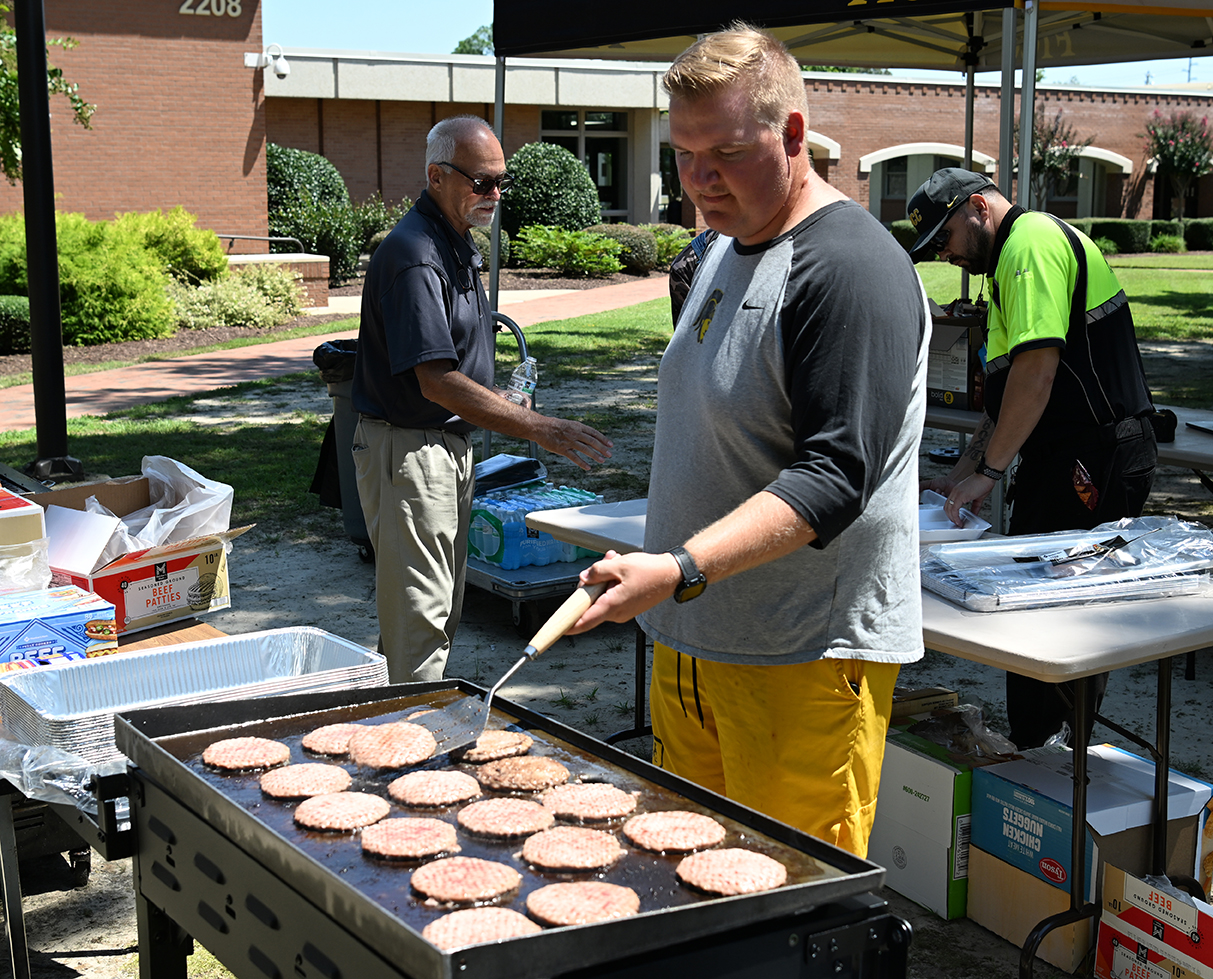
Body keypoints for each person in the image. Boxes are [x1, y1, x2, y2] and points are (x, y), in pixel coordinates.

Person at [568, 24, 931, 859]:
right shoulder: (722, 248)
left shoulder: (846, 266)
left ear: (793, 134)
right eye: (682, 155)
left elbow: (833, 478)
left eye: (724, 152)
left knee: (787, 902)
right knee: (686, 878)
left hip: (799, 658)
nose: (698, 180)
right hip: (695, 643)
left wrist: (677, 567)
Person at [351, 115, 612, 683]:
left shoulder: (453, 239)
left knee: (435, 609)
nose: (494, 194)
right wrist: (539, 427)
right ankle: (411, 745)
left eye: (501, 181)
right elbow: (436, 380)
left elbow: (451, 366)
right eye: (481, 182)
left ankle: (404, 719)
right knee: (422, 614)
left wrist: (495, 396)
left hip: (439, 443)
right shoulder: (416, 252)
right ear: (436, 176)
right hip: (411, 450)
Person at [908, 167, 1157, 749]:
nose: (945, 255)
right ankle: (1039, 754)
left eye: (944, 238)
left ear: (977, 208)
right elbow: (1006, 393)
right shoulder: (1006, 265)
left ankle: (1055, 761)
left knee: (1060, 621)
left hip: (1097, 454)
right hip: (1065, 455)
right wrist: (964, 473)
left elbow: (1037, 373)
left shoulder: (1031, 244)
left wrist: (991, 473)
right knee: (1032, 613)